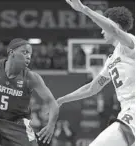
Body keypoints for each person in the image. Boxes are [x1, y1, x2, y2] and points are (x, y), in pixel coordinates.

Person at [57, 0, 135, 146]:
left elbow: (115, 31)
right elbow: (91, 88)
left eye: (103, 27)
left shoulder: (131, 44)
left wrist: (84, 9)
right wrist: (62, 100)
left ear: (115, 25)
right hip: (127, 110)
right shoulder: (112, 60)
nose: (101, 31)